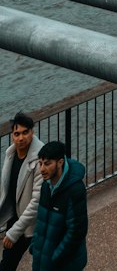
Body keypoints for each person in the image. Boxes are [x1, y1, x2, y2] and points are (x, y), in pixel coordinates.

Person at [30, 143, 87, 271]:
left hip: (64, 264)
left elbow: (77, 231)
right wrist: (35, 245)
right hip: (43, 259)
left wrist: (55, 257)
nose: (42, 169)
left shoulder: (75, 190)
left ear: (60, 162)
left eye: (47, 163)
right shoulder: (46, 185)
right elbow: (41, 220)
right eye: (40, 163)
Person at [0, 113, 41, 271]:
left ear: (32, 132)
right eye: (17, 134)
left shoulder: (40, 159)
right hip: (16, 218)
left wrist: (13, 233)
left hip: (36, 224)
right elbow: (7, 190)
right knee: (6, 266)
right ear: (12, 135)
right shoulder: (10, 155)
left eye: (25, 132)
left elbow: (36, 202)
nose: (21, 138)